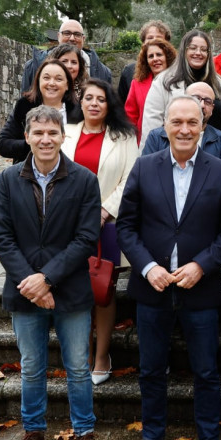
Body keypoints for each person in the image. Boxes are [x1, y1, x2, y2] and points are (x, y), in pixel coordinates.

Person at [116, 96, 221, 440]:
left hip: (199, 289)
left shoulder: (220, 171)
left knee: (205, 369)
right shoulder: (144, 167)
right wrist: (147, 266)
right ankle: (152, 434)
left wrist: (203, 266)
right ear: (165, 127)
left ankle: (208, 439)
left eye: (192, 122)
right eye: (177, 122)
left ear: (203, 125)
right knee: (151, 368)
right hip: (152, 287)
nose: (185, 129)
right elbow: (126, 226)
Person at [0, 105, 110, 440]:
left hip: (70, 291)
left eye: (52, 133)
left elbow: (87, 238)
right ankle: (34, 435)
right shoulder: (8, 179)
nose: (45, 139)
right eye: (38, 133)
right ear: (26, 137)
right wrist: (31, 282)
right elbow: (3, 237)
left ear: (63, 136)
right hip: (24, 290)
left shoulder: (84, 180)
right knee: (31, 368)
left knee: (77, 367)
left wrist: (48, 279)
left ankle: (85, 434)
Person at [60, 78, 139, 386]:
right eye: (88, 98)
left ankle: (102, 355)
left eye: (101, 99)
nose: (94, 103)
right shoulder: (66, 133)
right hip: (68, 223)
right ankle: (80, 355)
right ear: (81, 102)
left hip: (107, 223)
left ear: (110, 105)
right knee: (76, 291)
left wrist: (105, 210)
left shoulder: (124, 136)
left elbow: (130, 179)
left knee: (102, 291)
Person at [140, 30, 221, 151]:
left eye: (203, 49)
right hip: (174, 153)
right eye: (193, 48)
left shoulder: (218, 83)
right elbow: (151, 124)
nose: (198, 53)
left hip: (215, 152)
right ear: (184, 50)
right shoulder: (164, 82)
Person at [0, 60, 82, 163]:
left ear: (67, 85)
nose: (51, 83)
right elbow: (3, 144)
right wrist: (34, 144)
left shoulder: (79, 111)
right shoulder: (25, 107)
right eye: (46, 78)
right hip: (30, 172)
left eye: (58, 79)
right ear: (38, 81)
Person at [142, 82, 221, 159]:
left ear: (212, 109)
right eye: (196, 98)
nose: (202, 105)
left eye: (207, 101)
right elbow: (146, 172)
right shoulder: (157, 137)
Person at [21, 19, 111, 93]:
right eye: (67, 33)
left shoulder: (103, 72)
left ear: (83, 39)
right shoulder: (33, 66)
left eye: (77, 34)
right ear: (58, 36)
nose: (72, 38)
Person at [123, 38, 178, 140]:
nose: (155, 59)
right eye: (150, 56)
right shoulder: (137, 83)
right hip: (146, 139)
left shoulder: (179, 82)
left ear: (168, 57)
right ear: (146, 61)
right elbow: (130, 115)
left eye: (159, 54)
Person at [117, 20, 173, 104]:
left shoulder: (178, 70)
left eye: (159, 38)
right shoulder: (129, 72)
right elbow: (120, 107)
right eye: (150, 38)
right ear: (143, 43)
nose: (154, 41)